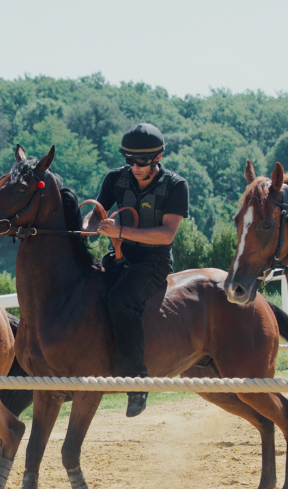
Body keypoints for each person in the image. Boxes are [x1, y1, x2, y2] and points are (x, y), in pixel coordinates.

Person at [94, 122, 189, 417]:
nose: (135, 166)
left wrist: (120, 231)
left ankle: (137, 383)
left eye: (142, 161)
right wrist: (89, 226)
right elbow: (96, 210)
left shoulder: (176, 186)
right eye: (129, 160)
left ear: (157, 158)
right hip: (118, 257)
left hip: (153, 263)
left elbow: (166, 235)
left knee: (121, 300)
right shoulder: (114, 179)